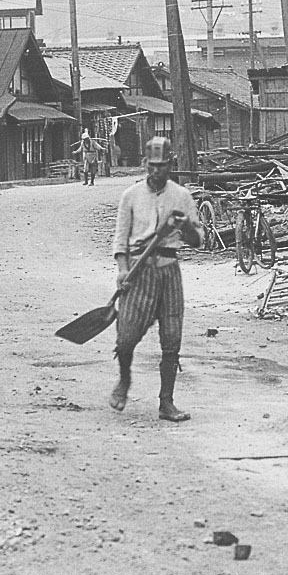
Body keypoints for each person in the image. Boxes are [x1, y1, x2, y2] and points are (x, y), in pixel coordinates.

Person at [109, 135, 200, 421]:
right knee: (125, 339)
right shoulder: (130, 196)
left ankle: (166, 402)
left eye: (162, 165)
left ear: (170, 164)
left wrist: (185, 229)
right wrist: (123, 271)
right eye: (152, 165)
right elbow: (120, 242)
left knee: (172, 340)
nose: (156, 170)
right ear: (145, 163)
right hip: (139, 271)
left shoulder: (182, 197)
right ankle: (124, 380)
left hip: (169, 272)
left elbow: (199, 240)